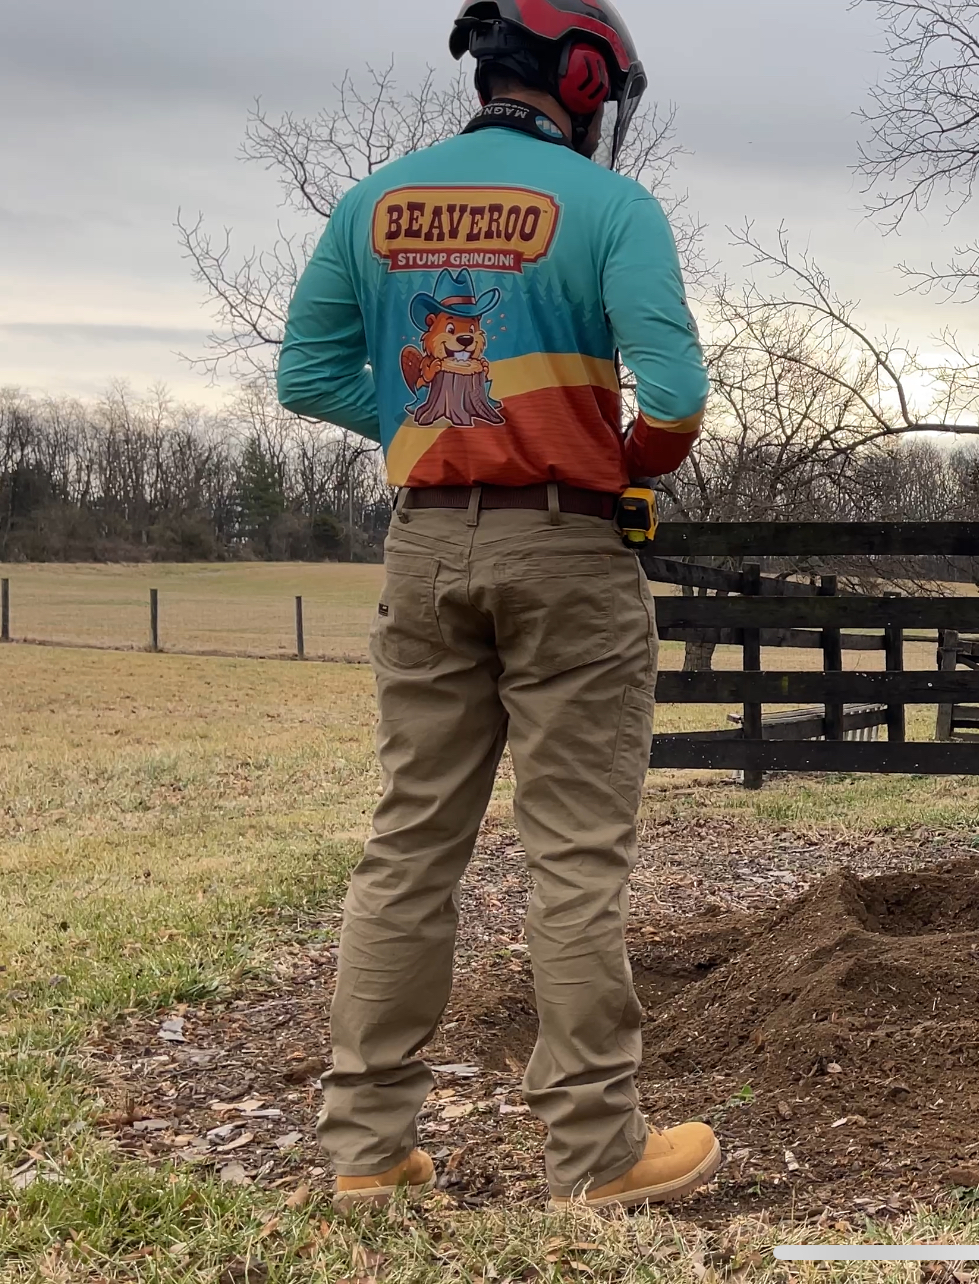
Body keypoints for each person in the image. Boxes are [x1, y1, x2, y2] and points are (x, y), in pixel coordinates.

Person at [276, 0, 715, 1209]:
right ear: (583, 78)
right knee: (572, 857)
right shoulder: (614, 209)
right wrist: (626, 454)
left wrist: (436, 422)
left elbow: (304, 371)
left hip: (422, 553)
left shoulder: (374, 203)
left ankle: (367, 1153)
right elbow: (673, 392)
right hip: (567, 550)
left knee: (410, 846)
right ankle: (595, 1153)